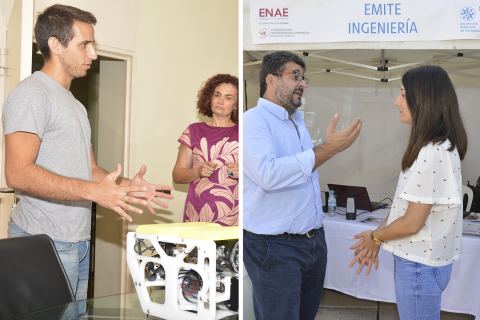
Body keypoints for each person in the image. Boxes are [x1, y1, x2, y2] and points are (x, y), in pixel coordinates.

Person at [2, 4, 173, 314]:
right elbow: (17, 173)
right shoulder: (31, 95)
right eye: (85, 44)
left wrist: (123, 186)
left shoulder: (75, 106)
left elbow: (90, 170)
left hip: (77, 241)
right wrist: (93, 192)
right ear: (55, 45)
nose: (93, 54)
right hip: (44, 242)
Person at [243, 51, 362, 320]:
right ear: (271, 80)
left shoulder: (297, 122)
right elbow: (269, 175)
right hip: (274, 247)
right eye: (295, 76)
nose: (303, 84)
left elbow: (303, 173)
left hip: (312, 242)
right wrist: (328, 149)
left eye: (304, 78)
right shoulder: (253, 121)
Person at [349, 65, 467, 320]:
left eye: (403, 94)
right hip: (419, 262)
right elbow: (402, 206)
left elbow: (412, 222)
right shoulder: (435, 147)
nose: (396, 102)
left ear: (423, 98)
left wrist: (376, 237)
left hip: (418, 265)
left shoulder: (432, 151)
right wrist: (377, 234)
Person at [172, 74, 238, 226]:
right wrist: (198, 172)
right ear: (210, 98)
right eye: (217, 95)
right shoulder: (193, 131)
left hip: (235, 220)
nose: (221, 101)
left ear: (235, 105)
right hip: (197, 217)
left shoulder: (245, 132)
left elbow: (261, 175)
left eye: (228, 98)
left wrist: (242, 173)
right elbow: (177, 175)